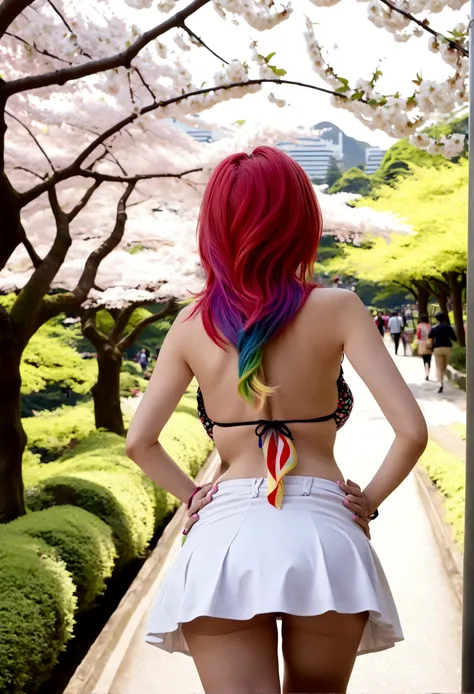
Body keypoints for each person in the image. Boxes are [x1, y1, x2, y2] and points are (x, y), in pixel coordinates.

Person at [125, 147, 427, 694]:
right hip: (324, 533)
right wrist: (370, 502)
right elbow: (412, 431)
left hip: (224, 540)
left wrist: (193, 497)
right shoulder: (339, 308)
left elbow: (140, 443)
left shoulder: (190, 324)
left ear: (214, 227)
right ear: (301, 221)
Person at [429, 312, 457, 394]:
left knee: (439, 367)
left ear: (436, 319)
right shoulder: (448, 328)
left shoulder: (434, 328)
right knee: (444, 366)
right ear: (444, 318)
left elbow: (430, 338)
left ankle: (440, 383)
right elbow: (454, 338)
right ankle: (443, 379)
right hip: (447, 348)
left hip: (437, 348)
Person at [416, 315, 433, 381]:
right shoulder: (429, 326)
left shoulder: (419, 326)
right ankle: (428, 372)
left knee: (425, 359)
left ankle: (426, 373)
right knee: (429, 359)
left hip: (422, 343)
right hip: (429, 343)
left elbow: (418, 335)